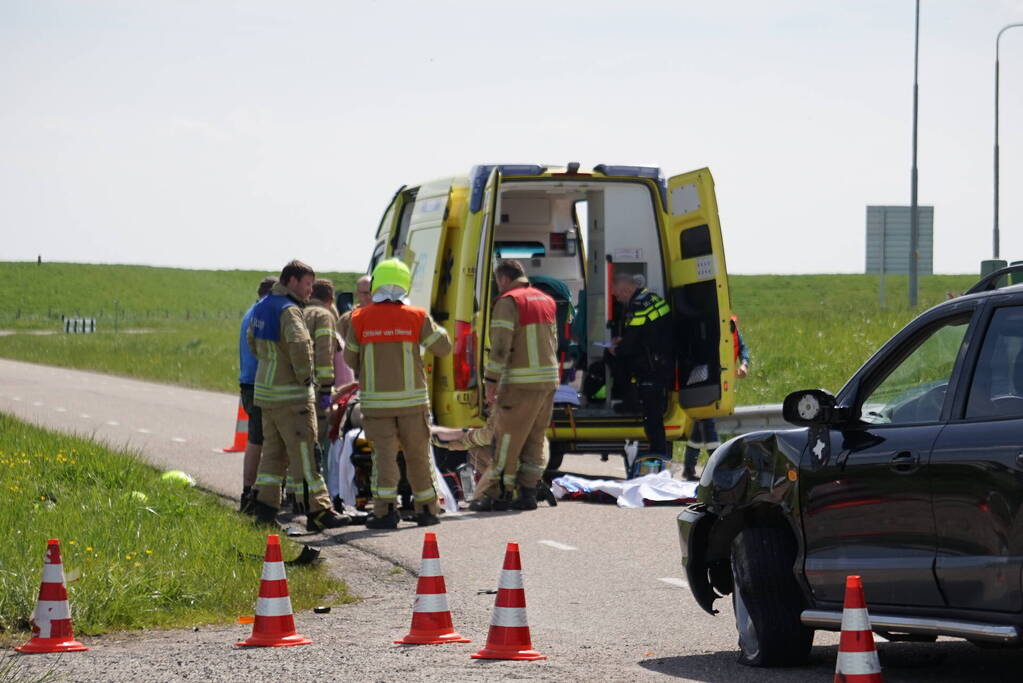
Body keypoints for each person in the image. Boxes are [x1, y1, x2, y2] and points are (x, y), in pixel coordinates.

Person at [343, 259, 452, 529]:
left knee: (384, 458)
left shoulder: (359, 318)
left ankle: (385, 512)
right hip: (413, 405)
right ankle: (427, 509)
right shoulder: (416, 316)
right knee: (418, 455)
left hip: (377, 406)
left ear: (377, 284)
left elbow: (350, 359)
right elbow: (444, 347)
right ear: (405, 284)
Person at [248, 259, 350, 531]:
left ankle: (265, 510)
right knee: (306, 454)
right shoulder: (289, 311)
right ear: (291, 280)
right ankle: (319, 511)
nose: (309, 291)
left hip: (266, 395)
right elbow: (300, 347)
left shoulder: (262, 307)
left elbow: (252, 343)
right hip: (292, 398)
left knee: (273, 455)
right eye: (306, 285)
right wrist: (308, 380)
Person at [471, 259, 558, 512]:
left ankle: (498, 494)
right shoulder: (546, 300)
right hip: (548, 381)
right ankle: (528, 493)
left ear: (503, 279)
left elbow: (500, 347)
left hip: (521, 384)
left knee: (506, 440)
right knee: (535, 439)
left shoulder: (509, 302)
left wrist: (490, 383)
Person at [607, 272, 672, 464]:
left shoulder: (637, 305)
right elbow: (643, 333)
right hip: (661, 361)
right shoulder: (651, 299)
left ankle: (658, 454)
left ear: (627, 289)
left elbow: (632, 339)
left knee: (652, 414)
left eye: (618, 295)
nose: (617, 299)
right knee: (653, 412)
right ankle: (658, 452)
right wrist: (624, 342)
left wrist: (616, 349)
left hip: (652, 366)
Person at [681, 315, 750, 480]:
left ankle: (689, 468)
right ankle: (720, 468)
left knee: (700, 428)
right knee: (708, 423)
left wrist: (744, 364)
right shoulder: (707, 325)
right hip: (706, 382)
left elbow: (742, 348)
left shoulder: (731, 326)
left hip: (720, 382)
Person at [238, 276, 277, 513]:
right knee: (260, 440)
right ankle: (253, 493)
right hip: (259, 384)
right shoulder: (263, 314)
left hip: (248, 382)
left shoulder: (250, 313)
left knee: (256, 439)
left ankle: (249, 492)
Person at [303, 278, 339, 450]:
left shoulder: (296, 312)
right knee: (315, 440)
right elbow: (324, 355)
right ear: (330, 300)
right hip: (314, 390)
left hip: (291, 386)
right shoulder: (324, 316)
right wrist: (326, 390)